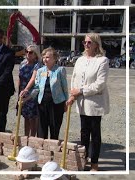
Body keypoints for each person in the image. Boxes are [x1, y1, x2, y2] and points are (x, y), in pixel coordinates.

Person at [66, 33, 110, 171]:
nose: (86, 45)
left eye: (89, 42)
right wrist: (73, 95)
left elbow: (100, 84)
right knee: (84, 133)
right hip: (81, 103)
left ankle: (95, 163)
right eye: (84, 42)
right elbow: (74, 79)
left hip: (94, 104)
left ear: (96, 44)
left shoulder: (102, 60)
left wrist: (80, 91)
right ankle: (83, 159)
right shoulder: (79, 60)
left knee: (95, 134)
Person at [34, 47, 68, 140]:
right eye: (44, 57)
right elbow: (37, 87)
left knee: (54, 129)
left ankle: (53, 151)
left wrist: (66, 102)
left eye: (48, 57)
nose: (45, 59)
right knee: (41, 130)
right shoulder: (40, 71)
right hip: (42, 103)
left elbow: (65, 88)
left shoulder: (60, 70)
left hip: (56, 104)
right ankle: (41, 150)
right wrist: (27, 96)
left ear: (55, 58)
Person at [18, 45, 42, 137]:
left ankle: (32, 137)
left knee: (33, 118)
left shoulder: (38, 65)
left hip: (32, 93)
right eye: (26, 52)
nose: (28, 54)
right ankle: (26, 136)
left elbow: (33, 78)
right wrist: (20, 92)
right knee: (26, 117)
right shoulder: (23, 63)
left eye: (31, 52)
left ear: (35, 54)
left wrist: (26, 90)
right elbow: (20, 78)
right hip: (23, 92)